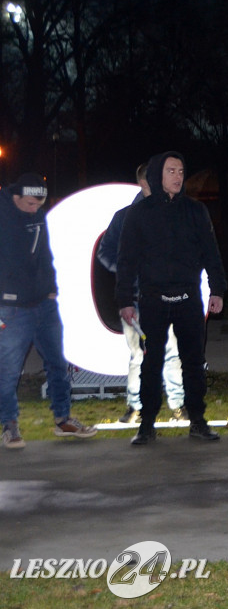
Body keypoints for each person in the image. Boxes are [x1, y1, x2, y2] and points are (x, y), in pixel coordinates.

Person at [116, 153, 227, 446]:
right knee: (151, 363)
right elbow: (126, 260)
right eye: (171, 171)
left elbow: (211, 253)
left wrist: (217, 289)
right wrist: (125, 299)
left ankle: (198, 422)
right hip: (152, 299)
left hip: (189, 297)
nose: (178, 176)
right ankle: (147, 424)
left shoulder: (195, 210)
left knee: (193, 362)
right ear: (156, 175)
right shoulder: (138, 214)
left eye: (181, 170)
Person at [0, 173, 96, 449]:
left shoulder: (37, 214)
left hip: (44, 302)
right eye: (30, 203)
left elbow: (44, 253)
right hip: (11, 307)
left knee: (57, 362)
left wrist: (51, 286)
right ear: (15, 196)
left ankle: (63, 419)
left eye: (39, 204)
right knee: (8, 371)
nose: (34, 209)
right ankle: (10, 425)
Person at [97, 163, 185, 424]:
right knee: (139, 355)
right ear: (144, 183)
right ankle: (135, 406)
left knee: (171, 353)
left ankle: (178, 405)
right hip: (136, 300)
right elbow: (105, 252)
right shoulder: (124, 217)